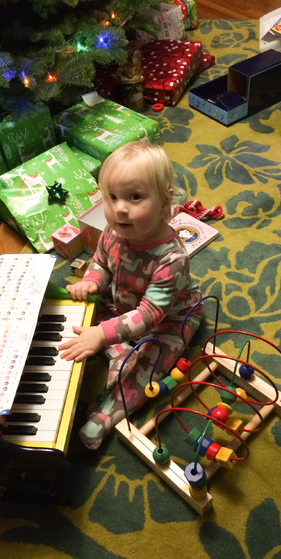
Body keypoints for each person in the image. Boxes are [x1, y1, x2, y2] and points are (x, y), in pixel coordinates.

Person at [59, 141, 203, 450]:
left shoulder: (172, 258)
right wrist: (91, 281)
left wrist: (102, 334)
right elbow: (100, 263)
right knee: (74, 312)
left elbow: (150, 314)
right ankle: (119, 350)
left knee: (149, 369)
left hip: (168, 321)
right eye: (112, 197)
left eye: (134, 197)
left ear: (165, 202)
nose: (120, 208)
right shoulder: (114, 231)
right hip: (120, 304)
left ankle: (105, 416)